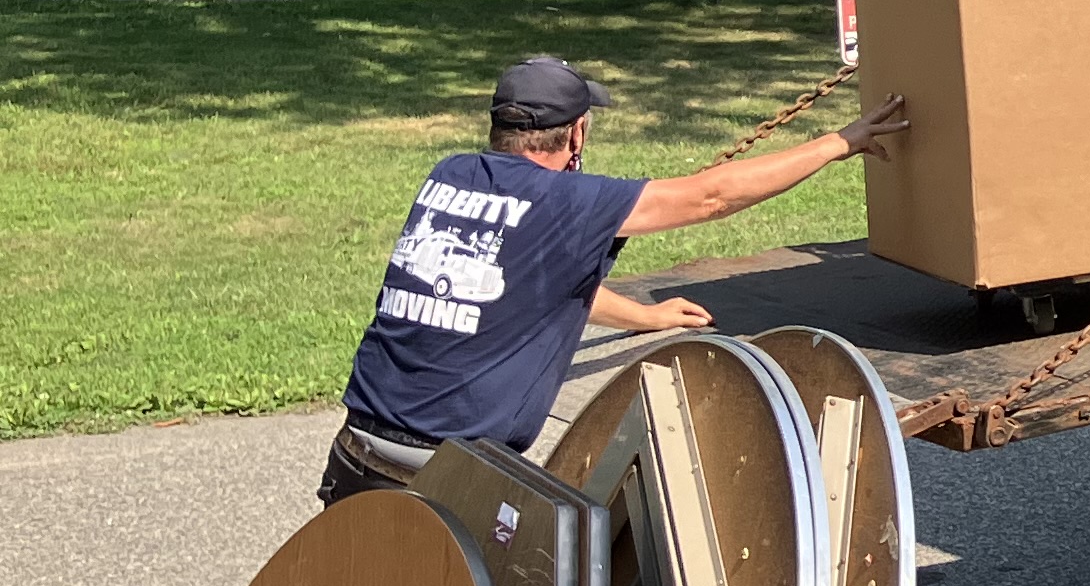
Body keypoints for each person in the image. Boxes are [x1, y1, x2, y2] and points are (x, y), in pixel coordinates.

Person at [319, 54, 904, 505]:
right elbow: (711, 196)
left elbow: (521, 286)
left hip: (356, 455)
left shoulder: (450, 177)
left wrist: (647, 317)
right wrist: (840, 142)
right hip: (448, 483)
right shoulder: (569, 201)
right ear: (575, 135)